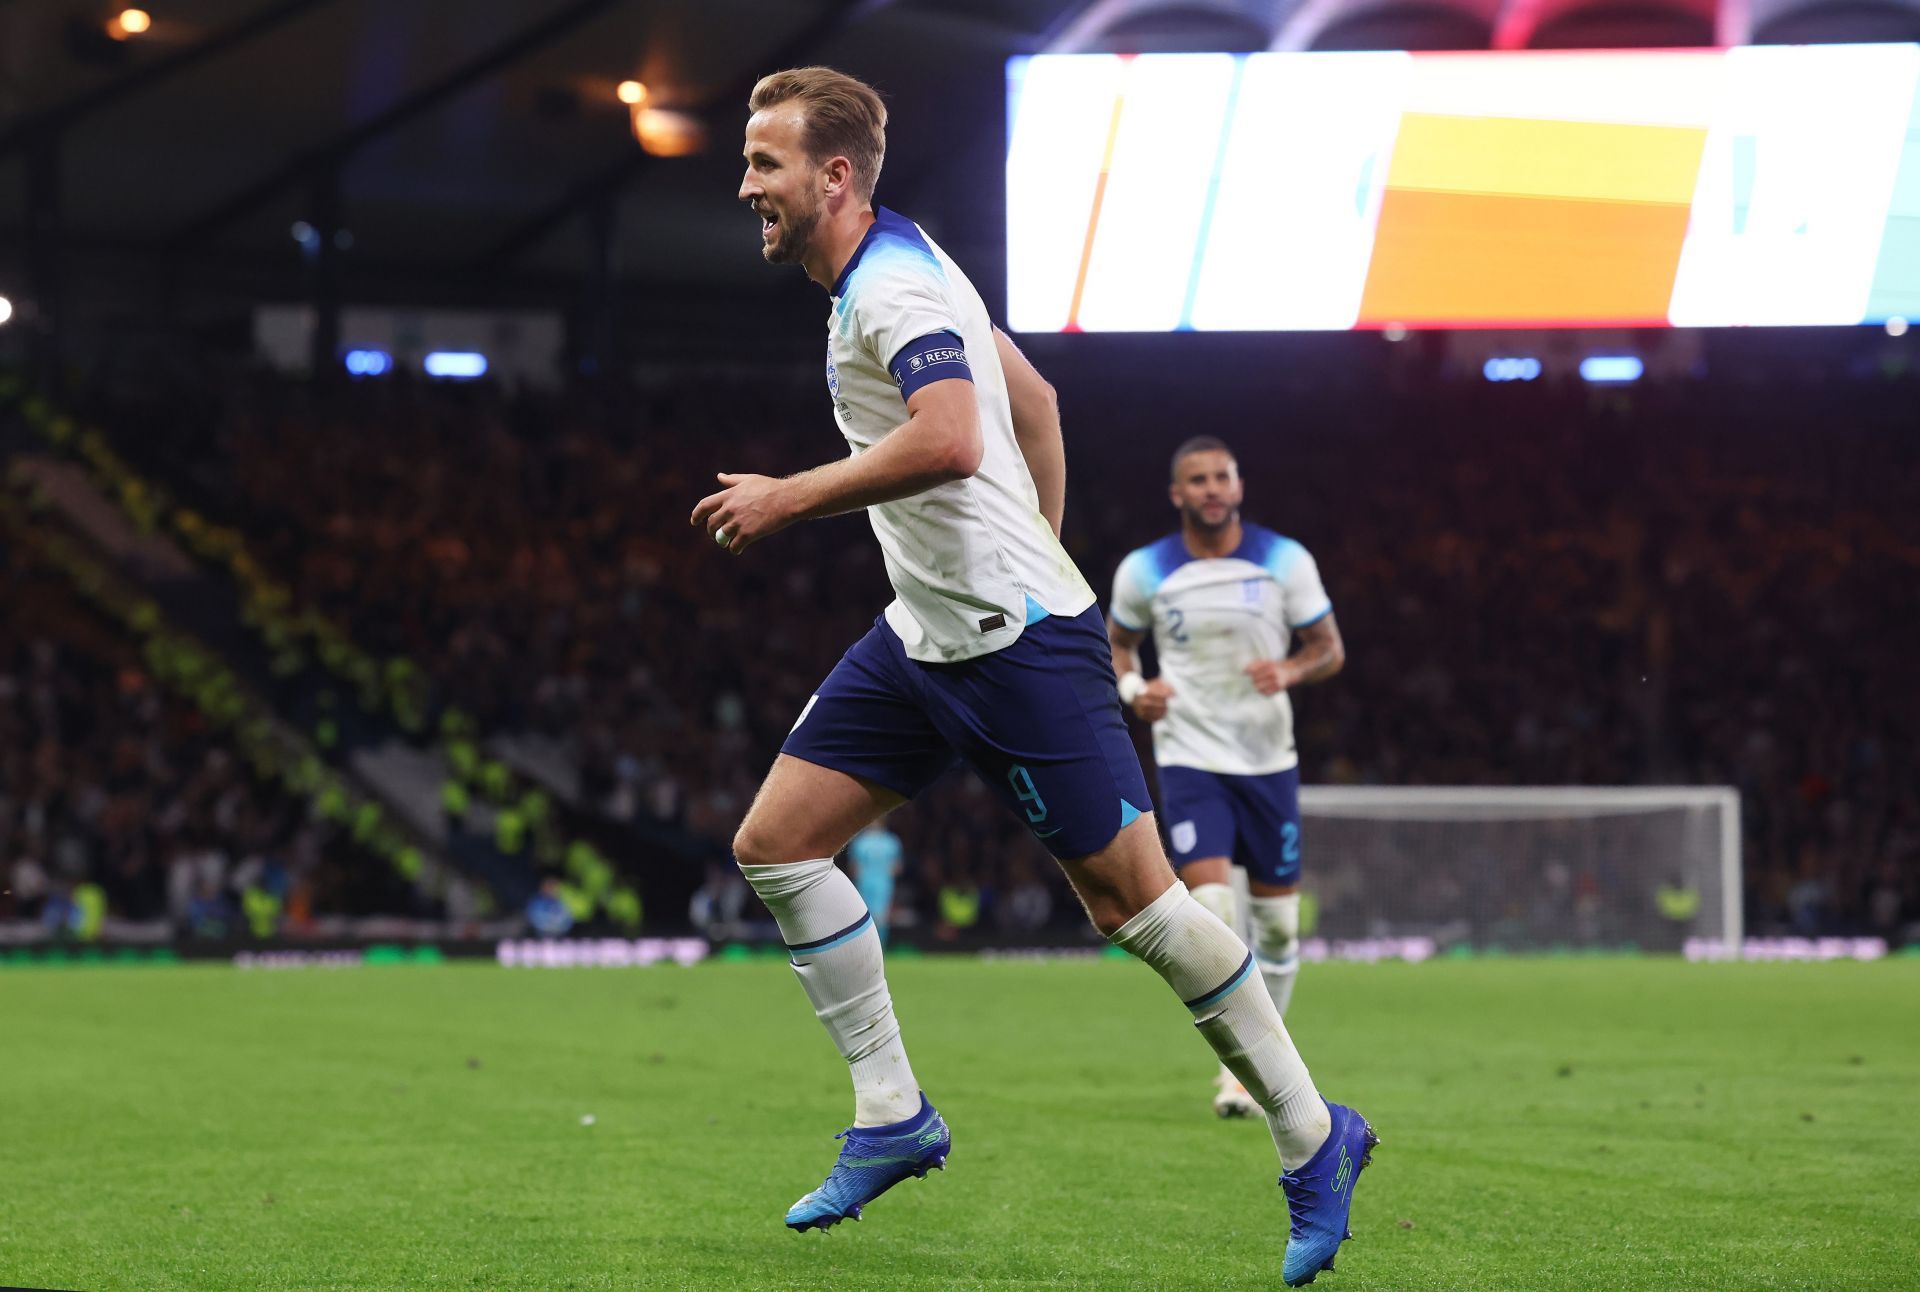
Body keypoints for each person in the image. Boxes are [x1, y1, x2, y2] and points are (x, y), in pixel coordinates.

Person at [692, 67, 1374, 1284]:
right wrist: (1045, 547)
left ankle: (1316, 1136)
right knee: (778, 842)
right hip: (925, 632)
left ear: (832, 174)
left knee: (1142, 910)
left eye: (764, 163)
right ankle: (892, 1109)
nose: (747, 184)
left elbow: (956, 434)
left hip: (1011, 646)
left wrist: (790, 496)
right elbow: (1039, 401)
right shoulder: (899, 263)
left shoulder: (894, 287)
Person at [1108, 437, 1348, 1121]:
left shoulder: (1284, 560)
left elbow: (1329, 648)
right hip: (1189, 756)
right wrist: (1133, 687)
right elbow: (1117, 639)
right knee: (1210, 911)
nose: (1212, 488)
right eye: (1197, 480)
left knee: (1275, 930)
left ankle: (1263, 1060)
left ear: (1238, 487)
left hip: (1268, 761)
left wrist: (1292, 671)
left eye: (1222, 477)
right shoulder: (1145, 570)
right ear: (1177, 494)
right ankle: (1240, 1072)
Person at [846, 819, 904, 944]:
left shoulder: (891, 841)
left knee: (881, 915)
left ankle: (880, 946)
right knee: (864, 915)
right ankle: (865, 946)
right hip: (865, 882)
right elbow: (854, 865)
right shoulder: (860, 842)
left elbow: (897, 865)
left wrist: (889, 872)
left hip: (883, 883)